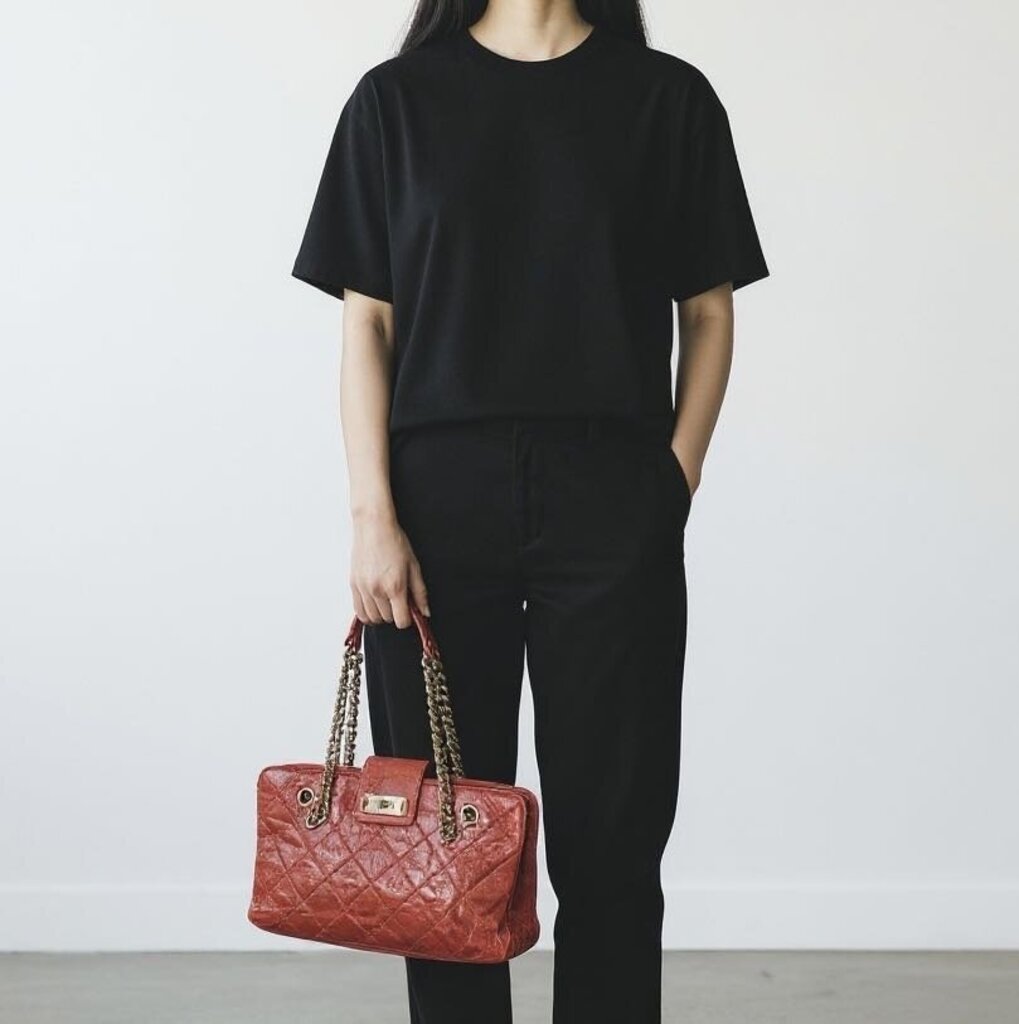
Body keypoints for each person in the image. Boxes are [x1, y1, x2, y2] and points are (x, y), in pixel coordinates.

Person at [289, 1, 769, 1020]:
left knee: (613, 848)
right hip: (432, 508)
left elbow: (709, 310)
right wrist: (372, 517)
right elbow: (367, 324)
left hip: (612, 500)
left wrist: (671, 483)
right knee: (442, 854)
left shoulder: (666, 100)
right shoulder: (395, 103)